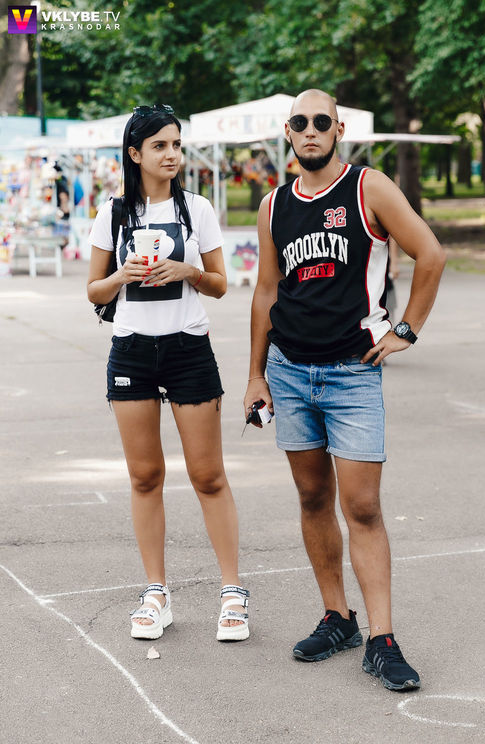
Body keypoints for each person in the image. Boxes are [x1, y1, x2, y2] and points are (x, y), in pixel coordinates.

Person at [244, 89, 445, 690]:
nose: (310, 131)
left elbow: (431, 254)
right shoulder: (274, 205)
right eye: (299, 123)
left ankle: (382, 639)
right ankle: (338, 618)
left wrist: (406, 329)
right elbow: (266, 292)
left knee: (362, 507)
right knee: (312, 499)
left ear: (339, 129)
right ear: (287, 132)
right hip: (288, 371)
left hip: (351, 372)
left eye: (321, 122)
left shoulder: (368, 187)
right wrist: (256, 375)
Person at [87, 104, 249, 642]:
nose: (172, 154)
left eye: (176, 144)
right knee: (144, 476)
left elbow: (221, 284)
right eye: (159, 146)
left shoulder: (196, 209)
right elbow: (93, 290)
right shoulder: (113, 214)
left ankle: (232, 593)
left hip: (188, 348)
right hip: (131, 351)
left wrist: (188, 272)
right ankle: (156, 593)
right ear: (135, 154)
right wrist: (121, 275)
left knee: (208, 476)